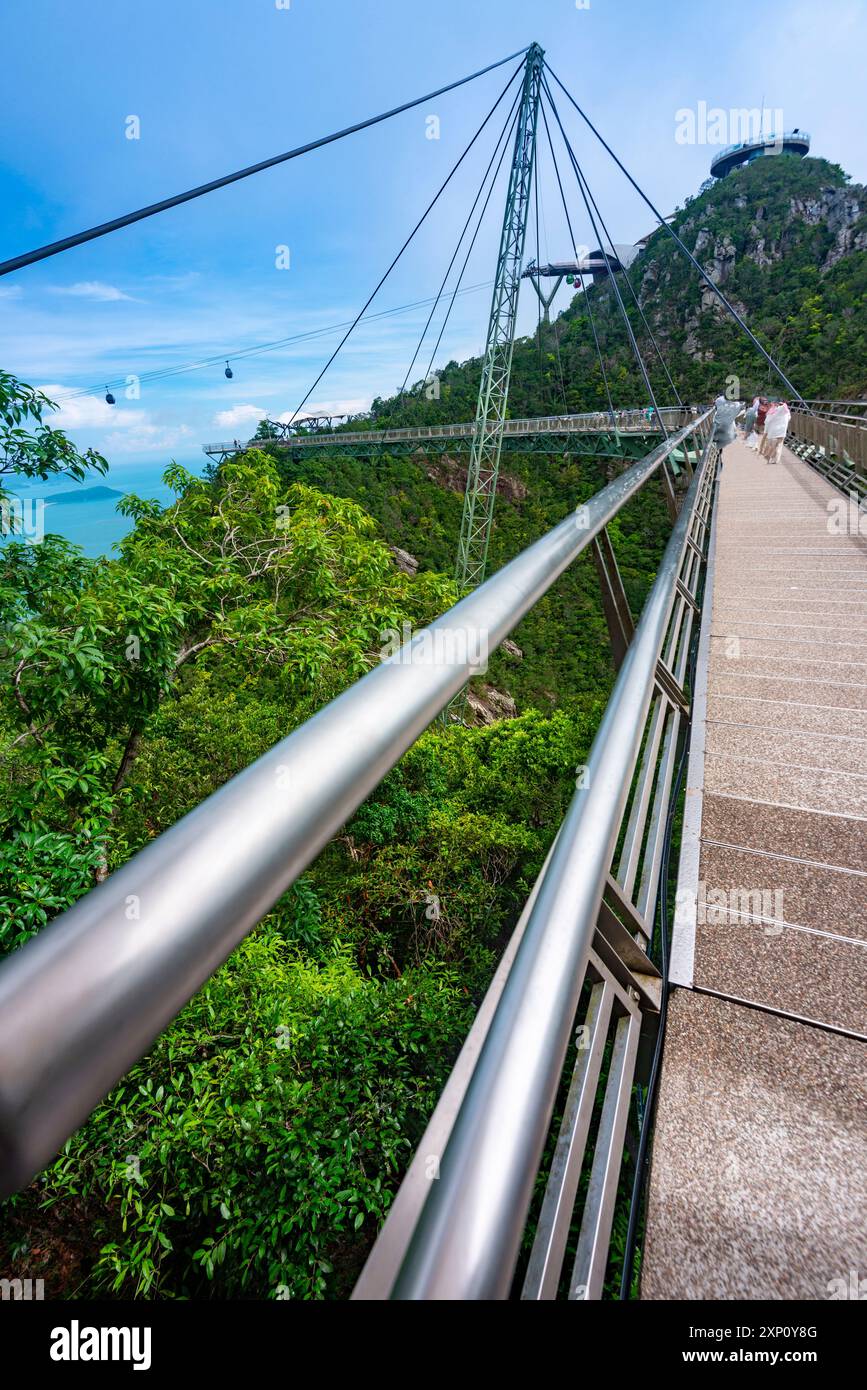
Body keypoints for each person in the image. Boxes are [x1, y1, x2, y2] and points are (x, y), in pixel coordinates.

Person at [762, 400, 791, 464]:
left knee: (771, 446)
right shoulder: (787, 412)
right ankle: (776, 460)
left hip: (774, 432)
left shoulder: (775, 411)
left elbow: (768, 421)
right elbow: (788, 419)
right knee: (779, 446)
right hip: (782, 432)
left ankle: (768, 457)